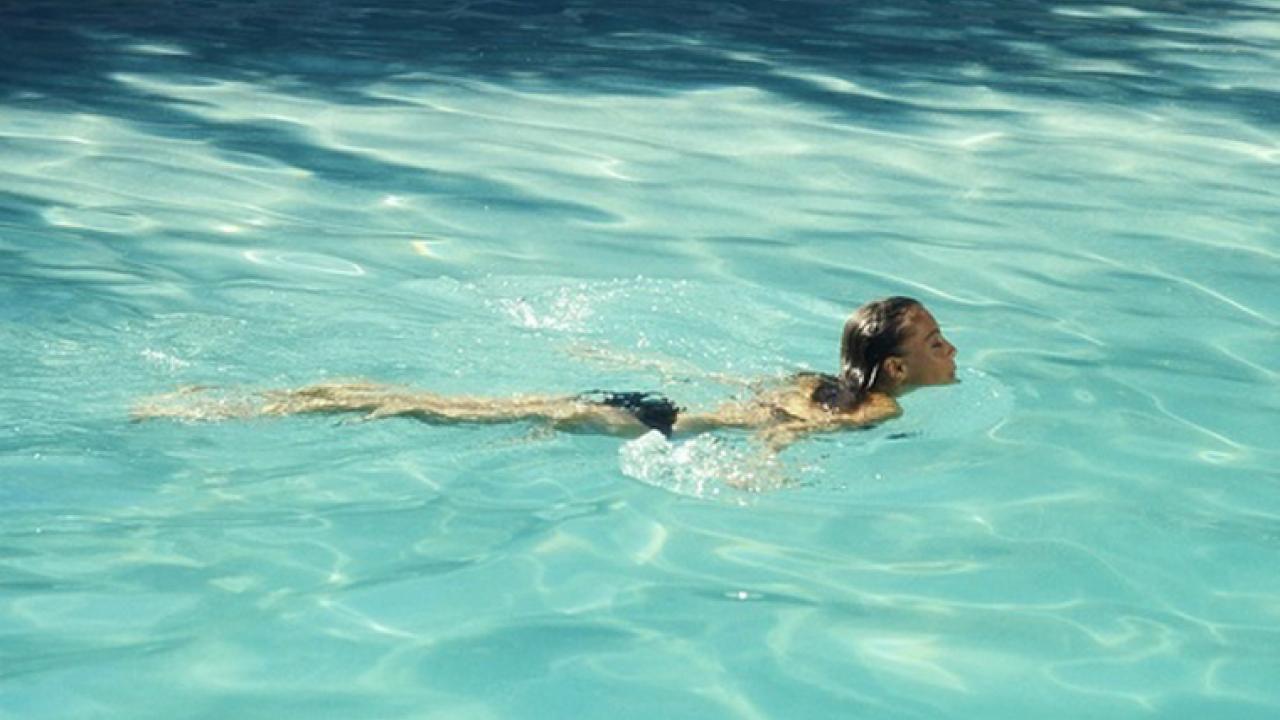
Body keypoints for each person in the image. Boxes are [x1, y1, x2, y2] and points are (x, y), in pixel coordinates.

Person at [134, 296, 957, 451]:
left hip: (653, 404)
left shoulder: (815, 375)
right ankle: (246, 411)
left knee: (447, 405)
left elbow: (764, 402)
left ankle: (271, 399)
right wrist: (762, 468)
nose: (950, 352)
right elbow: (790, 429)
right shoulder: (875, 412)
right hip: (652, 424)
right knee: (450, 414)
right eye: (935, 344)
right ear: (893, 368)